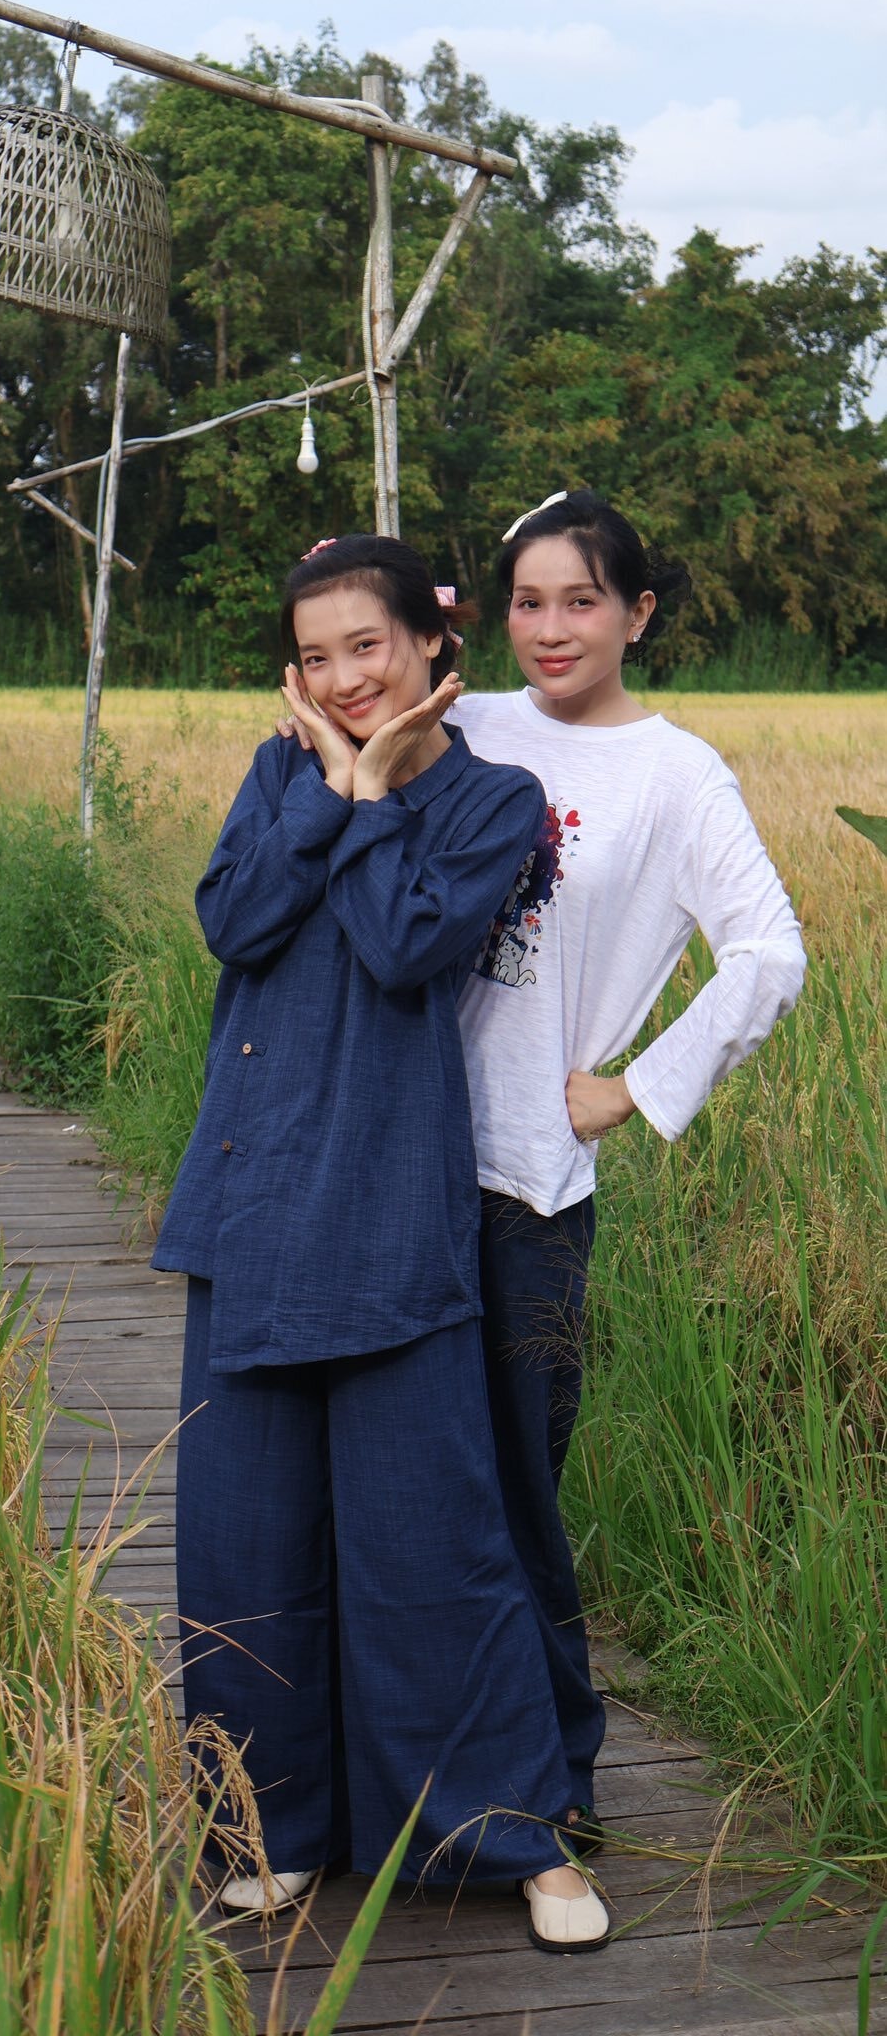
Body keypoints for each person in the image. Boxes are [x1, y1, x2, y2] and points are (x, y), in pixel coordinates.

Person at [153, 532, 613, 1953]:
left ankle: (507, 1831)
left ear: (431, 643)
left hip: (394, 1204)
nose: (346, 677)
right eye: (317, 657)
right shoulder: (276, 772)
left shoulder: (492, 801)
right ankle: (269, 1826)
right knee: (247, 1542)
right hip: (252, 1199)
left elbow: (405, 939)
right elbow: (233, 919)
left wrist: (365, 792)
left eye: (368, 645)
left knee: (434, 1543)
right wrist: (333, 787)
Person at [453, 488, 807, 1839]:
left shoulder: (675, 776)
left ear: (637, 613)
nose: (550, 629)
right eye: (526, 603)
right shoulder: (469, 724)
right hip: (401, 1159)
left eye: (581, 602)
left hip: (531, 1188)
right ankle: (406, 1771)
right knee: (400, 1481)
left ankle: (556, 1783)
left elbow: (768, 953)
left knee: (518, 1497)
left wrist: (632, 1089)